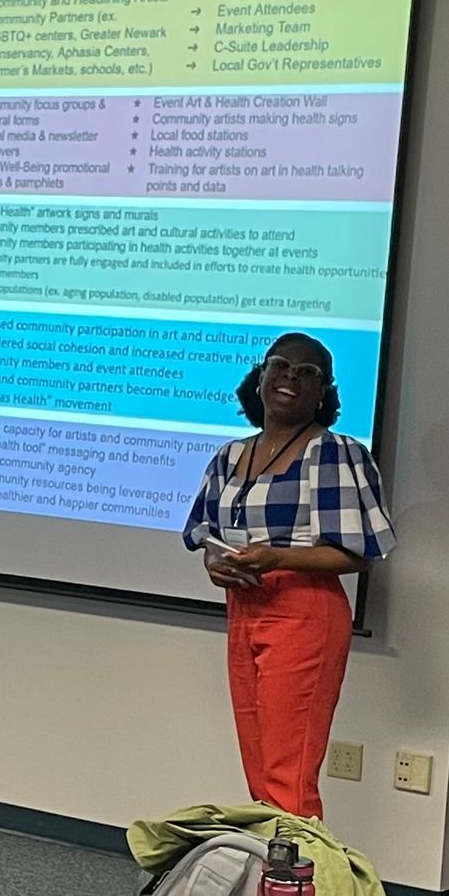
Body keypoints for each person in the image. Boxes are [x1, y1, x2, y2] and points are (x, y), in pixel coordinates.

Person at [181, 334, 395, 818]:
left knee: (289, 775)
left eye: (308, 373)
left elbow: (357, 553)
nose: (291, 379)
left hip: (304, 613)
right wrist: (216, 566)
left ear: (325, 392)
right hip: (244, 609)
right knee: (259, 773)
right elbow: (205, 533)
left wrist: (277, 559)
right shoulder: (230, 457)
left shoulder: (335, 453)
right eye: (281, 366)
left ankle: (303, 891)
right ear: (260, 378)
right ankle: (272, 883)